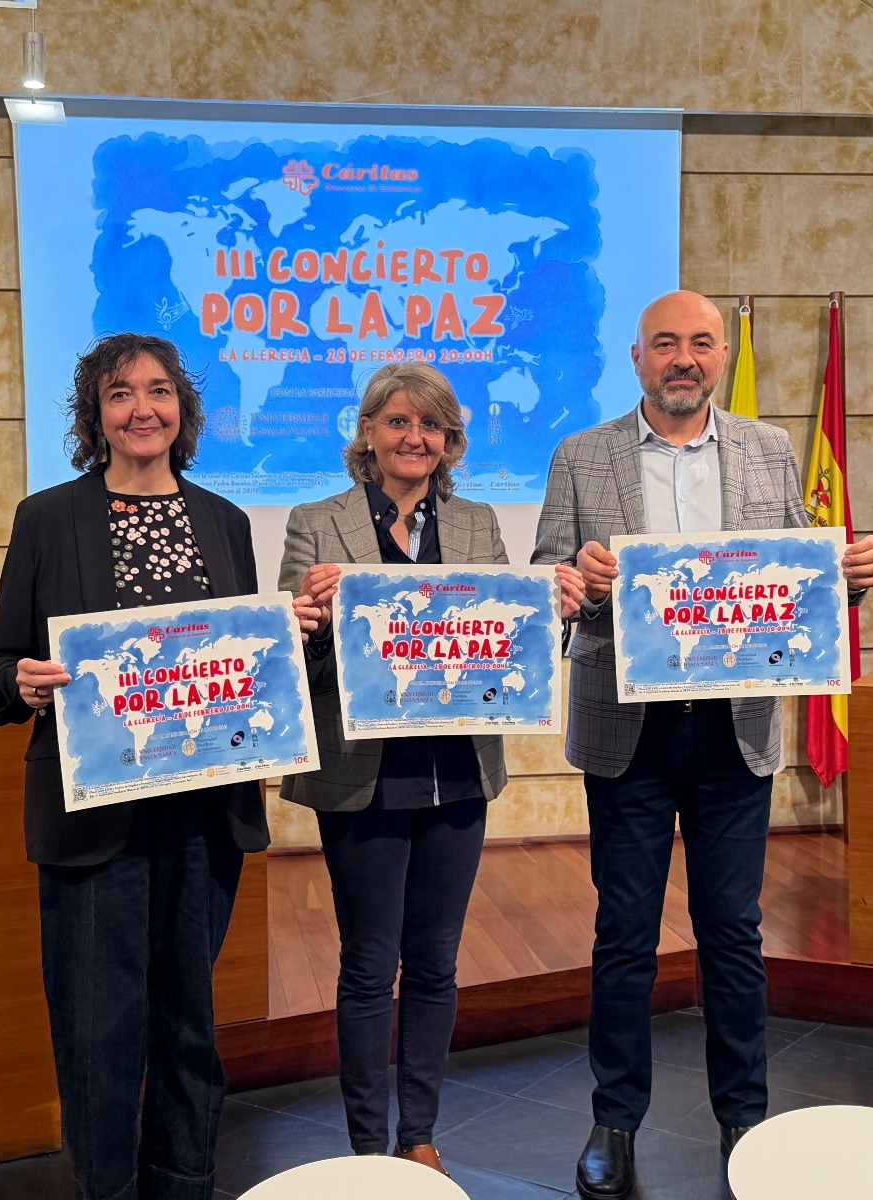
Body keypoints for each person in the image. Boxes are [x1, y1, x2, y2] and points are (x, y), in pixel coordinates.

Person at [531, 291, 873, 1198]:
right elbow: (547, 581)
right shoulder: (581, 455)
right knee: (624, 935)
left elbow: (803, 577)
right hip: (628, 730)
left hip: (735, 731)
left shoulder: (769, 451)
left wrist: (847, 579)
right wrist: (581, 581)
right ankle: (614, 1121)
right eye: (664, 345)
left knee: (733, 933)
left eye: (698, 343)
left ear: (720, 355)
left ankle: (746, 1121)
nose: (682, 358)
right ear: (637, 358)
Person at [0, 333, 269, 1200]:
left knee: (189, 1022)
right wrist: (19, 685)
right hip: (93, 815)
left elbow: (244, 659)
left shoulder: (225, 521)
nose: (143, 408)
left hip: (203, 812)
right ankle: (105, 1189)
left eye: (159, 391)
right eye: (119, 394)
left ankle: (186, 1182)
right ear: (94, 416)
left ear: (184, 408)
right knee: (99, 1030)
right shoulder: (48, 518)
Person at [279, 362, 586, 1173]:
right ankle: (362, 1147)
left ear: (451, 441)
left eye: (432, 427)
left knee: (439, 962)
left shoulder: (481, 524)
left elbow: (509, 647)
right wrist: (307, 620)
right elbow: (292, 655)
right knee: (369, 965)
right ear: (369, 434)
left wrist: (548, 613)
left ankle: (417, 1137)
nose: (415, 439)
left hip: (458, 775)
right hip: (363, 775)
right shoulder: (318, 523)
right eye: (397, 423)